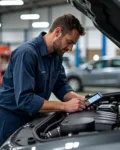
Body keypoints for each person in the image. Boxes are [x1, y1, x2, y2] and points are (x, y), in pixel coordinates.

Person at [0, 14, 86, 146]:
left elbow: (60, 86)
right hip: (11, 120)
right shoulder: (27, 53)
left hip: (33, 119)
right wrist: (64, 106)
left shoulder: (56, 56)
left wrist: (78, 99)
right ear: (57, 32)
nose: (70, 49)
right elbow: (25, 100)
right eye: (69, 42)